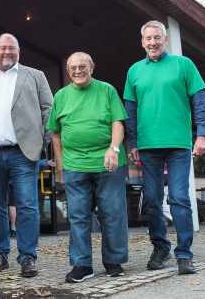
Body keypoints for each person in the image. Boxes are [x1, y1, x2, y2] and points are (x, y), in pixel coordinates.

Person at [124, 20, 205, 275]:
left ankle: (184, 254)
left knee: (179, 198)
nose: (152, 42)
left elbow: (200, 101)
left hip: (178, 144)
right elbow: (130, 110)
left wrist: (203, 134)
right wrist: (132, 142)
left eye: (157, 38)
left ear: (165, 40)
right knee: (151, 200)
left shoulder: (183, 64)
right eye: (148, 38)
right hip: (148, 146)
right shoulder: (134, 71)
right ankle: (160, 247)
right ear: (142, 42)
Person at [0, 33, 53, 277]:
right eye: (3, 48)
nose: (7, 52)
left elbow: (48, 109)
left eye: (12, 48)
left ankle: (28, 257)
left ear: (19, 51)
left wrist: (42, 141)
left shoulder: (35, 76)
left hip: (23, 152)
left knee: (27, 206)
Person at [47, 52, 129, 283]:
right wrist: (61, 165)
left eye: (82, 66)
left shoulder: (106, 90)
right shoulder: (61, 96)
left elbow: (118, 123)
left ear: (92, 68)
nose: (77, 70)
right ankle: (82, 265)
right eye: (73, 67)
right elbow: (55, 133)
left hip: (108, 163)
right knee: (78, 216)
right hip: (75, 165)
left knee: (112, 213)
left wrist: (113, 149)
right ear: (68, 70)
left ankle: (113, 260)